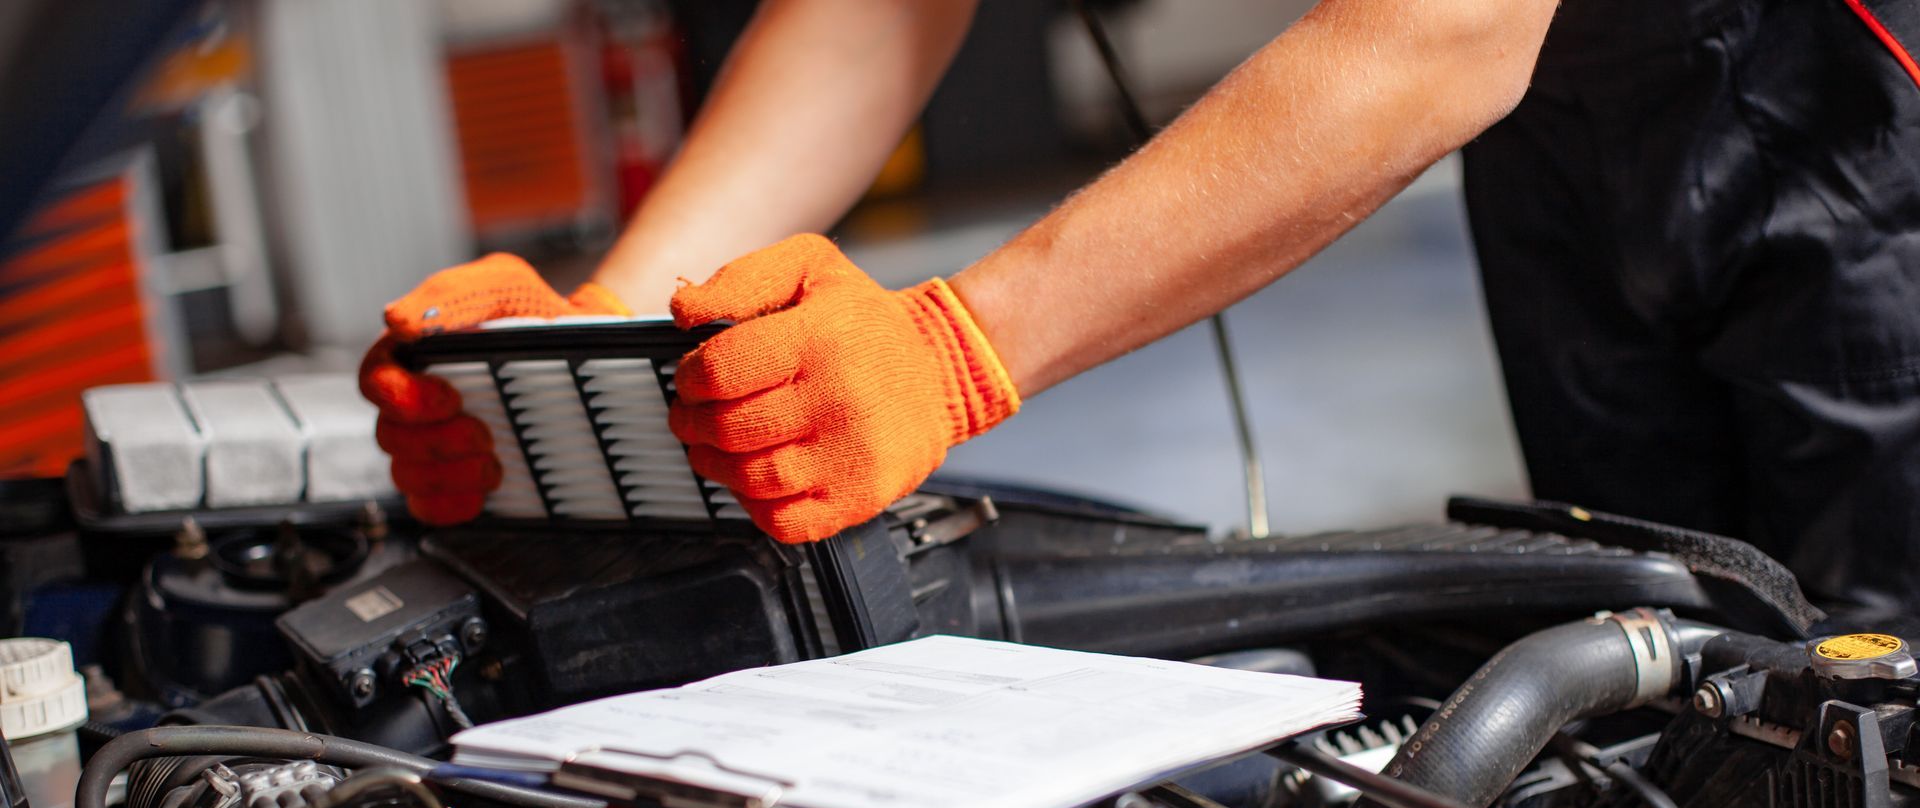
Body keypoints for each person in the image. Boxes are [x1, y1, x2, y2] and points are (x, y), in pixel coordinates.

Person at [361, 0, 1920, 624]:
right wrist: (593, 340)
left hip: (1853, 105)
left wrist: (958, 346)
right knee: (1700, 664)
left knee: (1889, 704)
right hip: (1569, 131)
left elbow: (1446, 22)